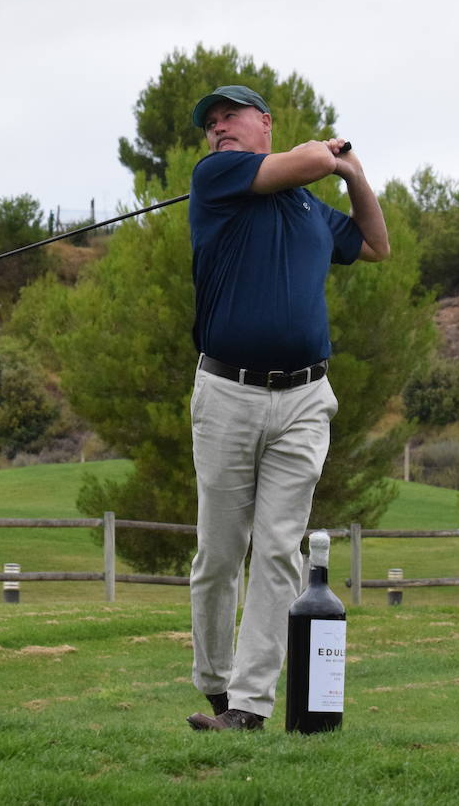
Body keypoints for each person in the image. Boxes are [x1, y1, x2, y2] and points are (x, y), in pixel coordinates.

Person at [184, 85, 389, 731]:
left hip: (304, 399)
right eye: (211, 123)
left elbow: (375, 243)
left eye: (230, 117)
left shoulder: (307, 209)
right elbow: (301, 161)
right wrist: (326, 154)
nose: (218, 129)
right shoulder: (216, 177)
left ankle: (247, 708)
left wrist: (354, 173)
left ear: (264, 123)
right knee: (220, 554)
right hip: (228, 394)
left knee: (278, 552)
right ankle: (216, 683)